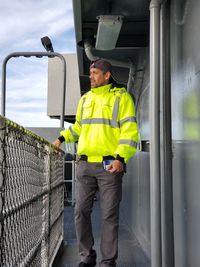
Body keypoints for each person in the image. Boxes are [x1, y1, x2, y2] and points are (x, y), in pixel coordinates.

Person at [53, 59, 139, 267]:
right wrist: (61, 138)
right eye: (90, 73)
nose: (90, 77)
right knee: (80, 211)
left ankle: (108, 262)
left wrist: (120, 158)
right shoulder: (85, 99)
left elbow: (129, 131)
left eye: (95, 73)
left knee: (109, 215)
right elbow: (80, 127)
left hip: (110, 165)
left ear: (107, 75)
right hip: (84, 165)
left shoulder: (121, 97)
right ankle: (87, 256)